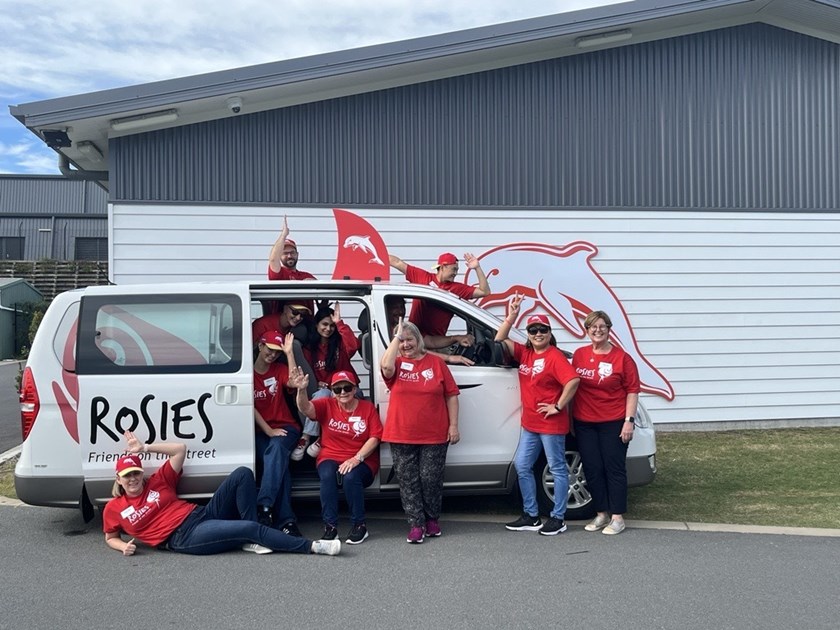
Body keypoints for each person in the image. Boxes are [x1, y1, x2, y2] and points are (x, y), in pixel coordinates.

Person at [102, 430, 340, 557]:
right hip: (183, 537)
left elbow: (179, 450)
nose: (132, 479)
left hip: (201, 514)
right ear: (118, 479)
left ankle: (253, 538)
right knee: (250, 529)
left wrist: (144, 447)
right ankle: (312, 546)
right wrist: (122, 547)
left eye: (135, 473)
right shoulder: (114, 508)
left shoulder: (157, 481)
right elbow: (110, 536)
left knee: (242, 474)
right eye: (127, 475)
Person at [495, 294, 580, 536]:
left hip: (551, 424)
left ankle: (558, 517)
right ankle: (531, 516)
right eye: (533, 330)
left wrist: (558, 406)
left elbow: (573, 380)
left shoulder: (554, 356)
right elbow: (499, 339)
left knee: (557, 468)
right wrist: (511, 316)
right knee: (522, 466)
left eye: (542, 329)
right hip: (530, 423)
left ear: (549, 332)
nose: (538, 333)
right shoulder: (525, 353)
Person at [380, 318, 460, 544]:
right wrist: (396, 337)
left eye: (409, 339)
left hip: (434, 433)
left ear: (419, 340)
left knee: (430, 478)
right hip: (401, 433)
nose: (406, 344)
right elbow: (385, 367)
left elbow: (451, 395)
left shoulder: (436, 363)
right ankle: (416, 524)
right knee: (408, 481)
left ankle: (432, 519)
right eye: (401, 340)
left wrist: (453, 425)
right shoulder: (394, 364)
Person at [291, 369, 382, 545]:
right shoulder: (327, 404)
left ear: (355, 389)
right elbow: (306, 409)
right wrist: (301, 390)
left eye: (347, 387)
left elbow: (375, 437)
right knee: (327, 476)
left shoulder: (367, 408)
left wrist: (357, 458)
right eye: (337, 389)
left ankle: (359, 525)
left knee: (351, 477)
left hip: (362, 457)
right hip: (330, 454)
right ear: (332, 391)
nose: (342, 392)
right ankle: (330, 526)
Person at [571, 310, 640, 536]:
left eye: (602, 327)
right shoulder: (579, 355)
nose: (597, 331)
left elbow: (632, 390)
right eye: (593, 327)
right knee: (592, 468)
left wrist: (628, 421)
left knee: (614, 468)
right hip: (585, 422)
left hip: (613, 421)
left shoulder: (622, 358)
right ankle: (601, 513)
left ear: (609, 329)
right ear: (587, 330)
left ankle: (618, 517)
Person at [292, 302, 362, 461]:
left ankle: (321, 439)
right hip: (325, 391)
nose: (328, 329)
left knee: (343, 395)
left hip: (348, 389)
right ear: (316, 325)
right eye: (324, 324)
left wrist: (340, 323)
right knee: (323, 394)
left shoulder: (340, 344)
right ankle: (307, 438)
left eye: (331, 325)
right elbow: (308, 372)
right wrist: (317, 382)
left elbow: (353, 346)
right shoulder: (310, 349)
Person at [253, 330, 303, 536]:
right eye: (270, 349)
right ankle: (287, 522)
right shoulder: (247, 373)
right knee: (279, 464)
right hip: (260, 430)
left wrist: (289, 353)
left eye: (277, 352)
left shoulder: (279, 369)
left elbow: (293, 382)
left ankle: (264, 507)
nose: (272, 355)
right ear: (260, 346)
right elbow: (250, 407)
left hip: (286, 427)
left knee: (276, 451)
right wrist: (268, 430)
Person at [388, 251, 490, 349]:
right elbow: (397, 262)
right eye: (453, 269)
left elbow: (484, 291)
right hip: (413, 342)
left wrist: (477, 268)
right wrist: (376, 257)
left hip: (438, 344)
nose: (455, 273)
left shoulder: (457, 289)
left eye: (457, 270)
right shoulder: (423, 277)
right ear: (442, 267)